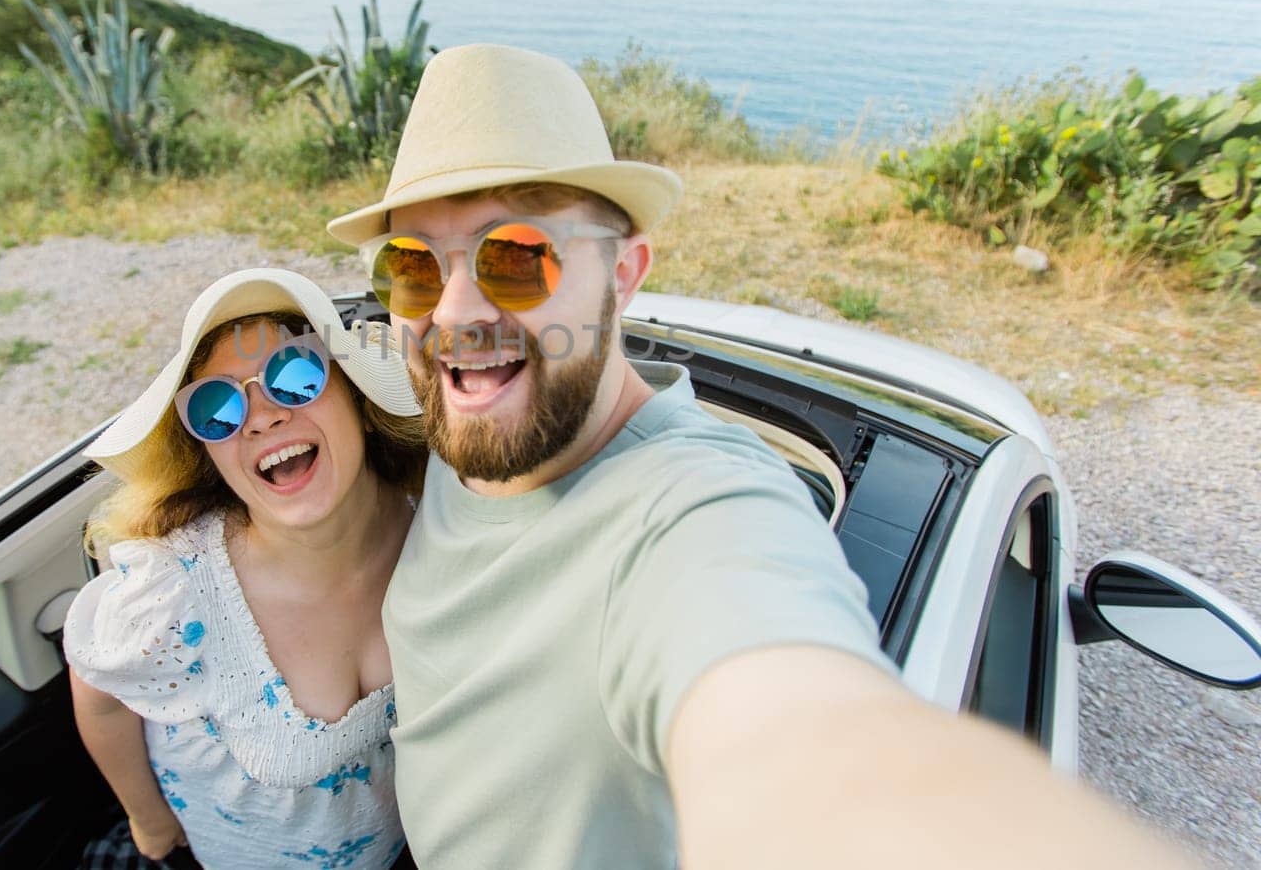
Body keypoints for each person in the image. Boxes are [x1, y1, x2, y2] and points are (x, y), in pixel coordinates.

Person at [325, 43, 1192, 869]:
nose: (453, 314)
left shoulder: (692, 510)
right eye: (413, 267)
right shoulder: (459, 421)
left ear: (625, 275)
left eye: (516, 257)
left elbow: (799, 732)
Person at [63, 269, 426, 870]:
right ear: (206, 449)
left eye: (295, 375)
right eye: (216, 407)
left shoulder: (440, 520)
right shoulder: (173, 593)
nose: (260, 419)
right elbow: (98, 697)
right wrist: (147, 820)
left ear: (360, 399)